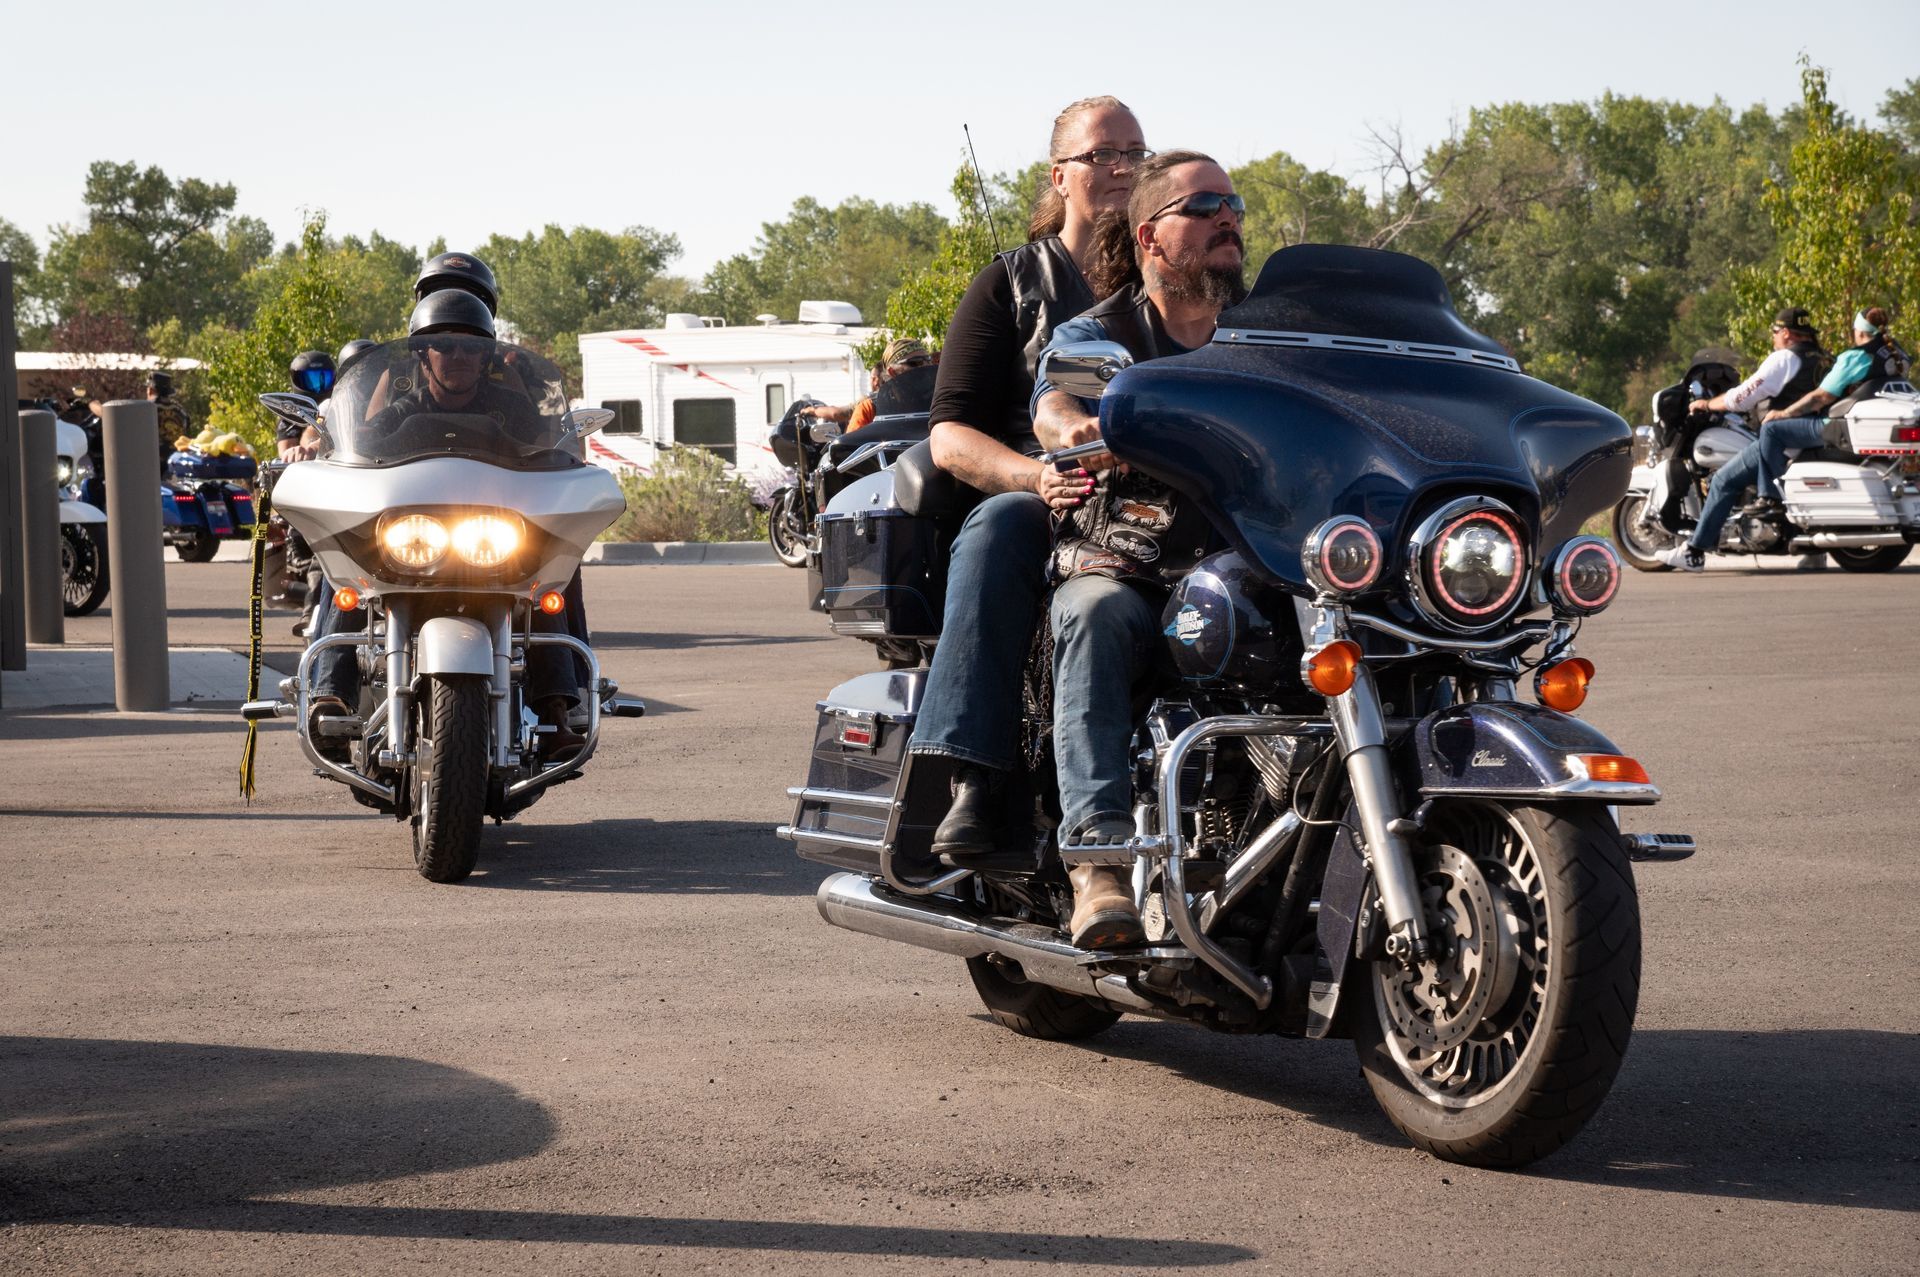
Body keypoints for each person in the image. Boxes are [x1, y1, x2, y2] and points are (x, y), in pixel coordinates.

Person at [912, 95, 1150, 868]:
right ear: (1060, 175)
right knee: (1005, 522)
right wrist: (1034, 474)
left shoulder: (1175, 285)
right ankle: (979, 777)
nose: (1121, 169)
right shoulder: (1012, 284)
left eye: (1135, 154)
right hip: (1048, 499)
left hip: (1160, 507)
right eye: (1102, 155)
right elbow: (948, 434)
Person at [1025, 151, 1246, 947]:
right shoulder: (1105, 332)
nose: (1228, 218)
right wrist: (1077, 429)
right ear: (1151, 236)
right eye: (1205, 206)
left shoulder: (1267, 333)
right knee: (1094, 612)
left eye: (1234, 204)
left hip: (1246, 565)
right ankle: (1101, 865)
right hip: (1127, 560)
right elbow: (1057, 403)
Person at [305, 290, 586, 760]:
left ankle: (561, 706)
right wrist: (323, 456)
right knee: (348, 557)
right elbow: (353, 457)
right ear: (423, 356)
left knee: (554, 565)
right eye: (444, 346)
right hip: (414, 543)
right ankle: (330, 694)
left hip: (491, 542)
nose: (458, 355)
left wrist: (573, 465)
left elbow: (552, 452)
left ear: (485, 356)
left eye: (471, 347)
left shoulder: (515, 410)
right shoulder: (399, 412)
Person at [1662, 306, 1911, 573]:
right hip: (1817, 435)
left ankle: (1695, 551)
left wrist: (1708, 404)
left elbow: (1742, 397)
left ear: (1787, 333)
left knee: (1724, 480)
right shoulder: (1826, 358)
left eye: (1774, 331)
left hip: (1792, 437)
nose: (1773, 338)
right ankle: (1812, 554)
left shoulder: (1784, 359)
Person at [802, 337, 936, 431]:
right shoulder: (870, 406)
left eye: (928, 361)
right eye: (915, 363)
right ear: (892, 372)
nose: (924, 367)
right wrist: (813, 410)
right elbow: (850, 451)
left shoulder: (941, 399)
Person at [146, 371, 192, 464]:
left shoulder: (146, 409)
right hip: (178, 461)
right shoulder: (180, 410)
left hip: (155, 466)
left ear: (150, 390)